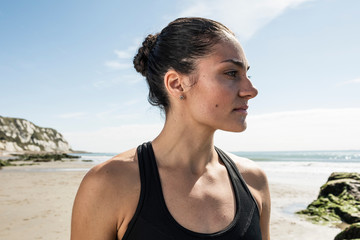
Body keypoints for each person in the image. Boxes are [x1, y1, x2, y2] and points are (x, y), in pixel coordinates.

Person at [71, 17, 270, 240]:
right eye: (231, 73)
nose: (251, 90)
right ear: (176, 83)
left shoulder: (253, 180)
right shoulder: (108, 184)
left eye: (247, 75)